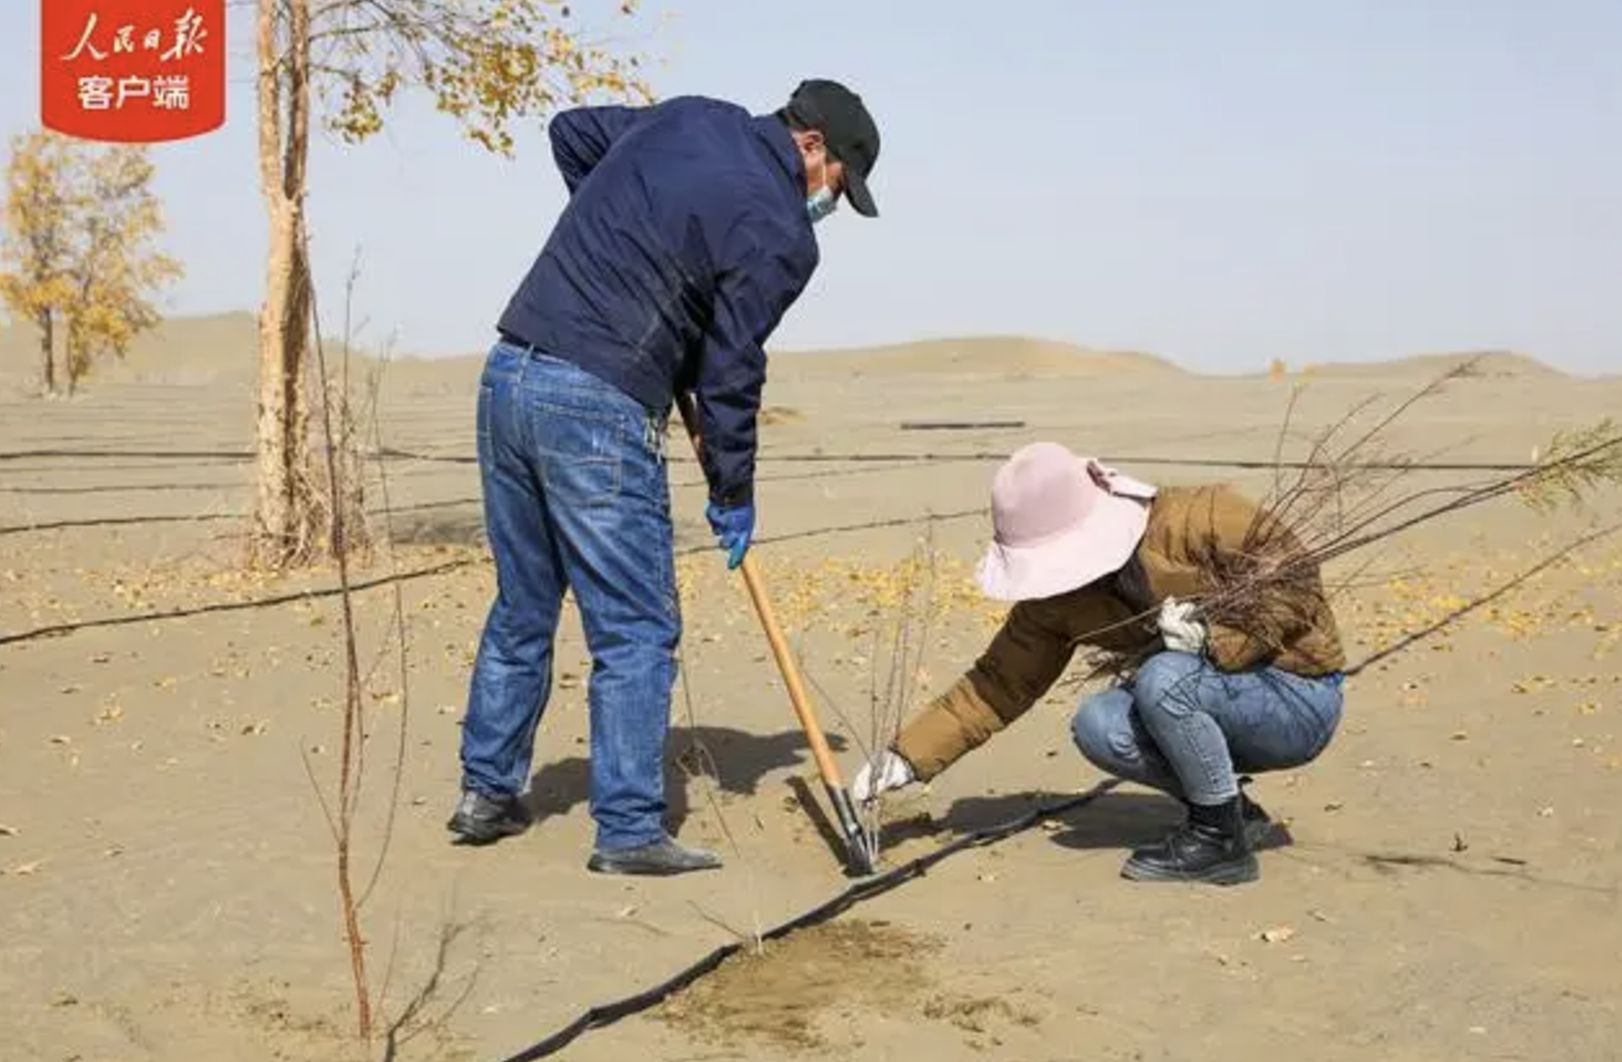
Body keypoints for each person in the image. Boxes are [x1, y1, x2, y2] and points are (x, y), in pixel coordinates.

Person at [449, 81, 882, 876]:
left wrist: (621, 235)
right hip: (595, 404)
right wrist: (732, 491)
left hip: (508, 373)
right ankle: (628, 830)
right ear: (814, 147)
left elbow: (571, 132)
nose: (830, 203)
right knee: (636, 628)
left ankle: (487, 794)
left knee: (524, 602)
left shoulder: (692, 116)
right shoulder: (782, 233)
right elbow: (730, 371)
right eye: (838, 186)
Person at [854, 442, 1346, 885]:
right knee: (1100, 724)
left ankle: (1220, 842)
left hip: (1296, 697)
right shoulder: (1053, 604)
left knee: (1163, 679)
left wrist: (1214, 639)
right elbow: (997, 683)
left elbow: (1295, 583)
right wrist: (907, 757)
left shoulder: (1202, 518)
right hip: (1201, 704)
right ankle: (1235, 813)